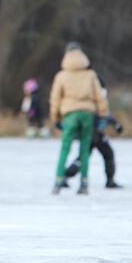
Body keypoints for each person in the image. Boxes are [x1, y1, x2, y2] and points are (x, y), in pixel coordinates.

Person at [49, 42, 109, 195]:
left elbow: (55, 98)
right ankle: (84, 183)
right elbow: (99, 97)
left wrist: (55, 117)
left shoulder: (61, 76)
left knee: (65, 148)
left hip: (69, 115)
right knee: (84, 150)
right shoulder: (90, 75)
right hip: (87, 114)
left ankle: (58, 180)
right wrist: (103, 114)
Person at [63, 115, 123, 188]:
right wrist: (115, 124)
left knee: (83, 157)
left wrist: (115, 124)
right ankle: (110, 181)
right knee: (107, 155)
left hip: (91, 134)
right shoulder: (96, 107)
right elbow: (104, 112)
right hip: (93, 134)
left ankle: (65, 176)